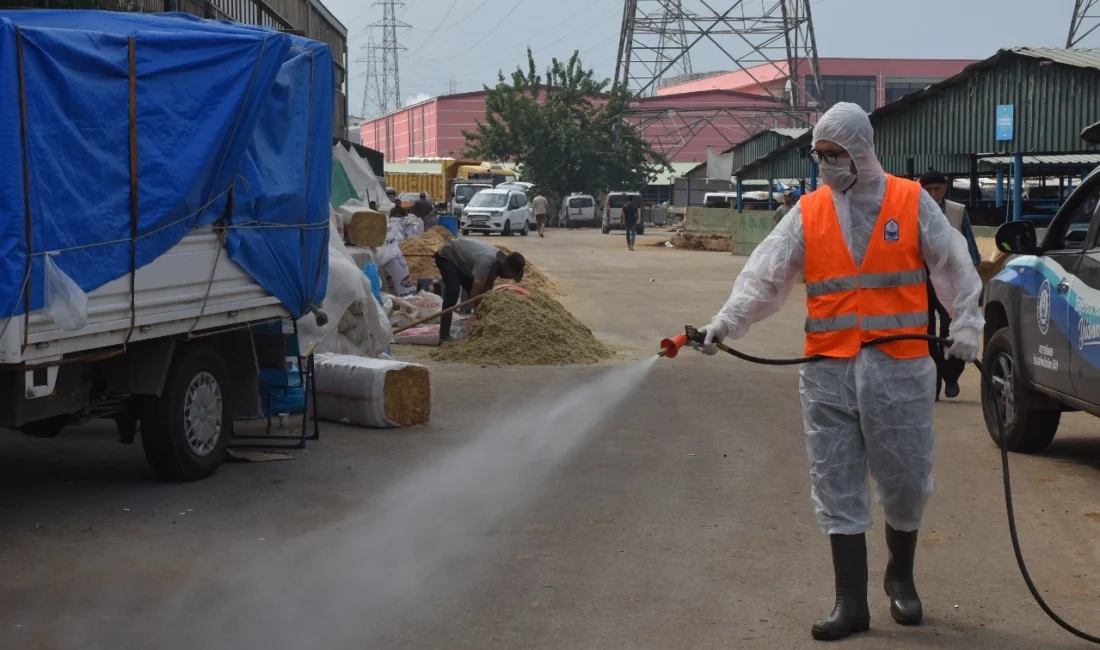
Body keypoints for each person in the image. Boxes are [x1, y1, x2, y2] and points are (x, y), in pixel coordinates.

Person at [692, 103, 983, 641]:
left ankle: (901, 577)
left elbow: (953, 263)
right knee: (835, 480)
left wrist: (966, 321)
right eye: (820, 155)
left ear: (862, 150)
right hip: (828, 370)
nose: (827, 164)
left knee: (905, 480)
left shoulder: (909, 200)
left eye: (836, 154)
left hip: (898, 370)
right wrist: (724, 323)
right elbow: (765, 276)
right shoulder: (809, 212)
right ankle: (850, 600)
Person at [919, 170, 983, 400]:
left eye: (937, 189)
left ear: (945, 188)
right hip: (922, 280)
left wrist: (970, 283)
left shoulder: (957, 211)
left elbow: (971, 251)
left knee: (952, 327)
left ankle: (952, 375)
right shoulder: (914, 211)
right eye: (928, 190)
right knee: (924, 331)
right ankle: (933, 382)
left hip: (950, 281)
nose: (933, 194)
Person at [433, 238, 525, 343]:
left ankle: (480, 330)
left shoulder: (498, 265)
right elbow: (474, 295)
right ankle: (444, 336)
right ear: (507, 268)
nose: (509, 278)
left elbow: (487, 289)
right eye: (511, 275)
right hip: (448, 255)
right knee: (453, 292)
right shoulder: (485, 262)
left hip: (463, 263)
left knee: (480, 297)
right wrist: (478, 305)